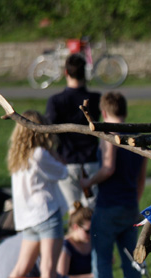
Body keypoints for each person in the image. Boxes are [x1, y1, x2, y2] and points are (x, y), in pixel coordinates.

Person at [81, 92, 147, 278]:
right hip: (129, 204)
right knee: (131, 260)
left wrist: (89, 182)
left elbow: (108, 168)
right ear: (124, 111)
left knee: (101, 260)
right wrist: (134, 202)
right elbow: (141, 178)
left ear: (104, 111)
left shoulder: (108, 133)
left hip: (108, 205)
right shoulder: (136, 136)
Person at [5, 110, 66, 278]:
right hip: (46, 214)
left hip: (27, 219)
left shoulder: (17, 156)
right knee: (48, 268)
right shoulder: (40, 154)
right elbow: (62, 172)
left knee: (21, 268)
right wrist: (57, 156)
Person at [45, 53, 101, 212]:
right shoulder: (95, 99)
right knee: (92, 213)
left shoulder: (56, 101)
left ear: (66, 73)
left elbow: (48, 132)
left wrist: (56, 157)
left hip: (66, 160)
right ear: (85, 73)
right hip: (91, 161)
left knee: (74, 213)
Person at [56, 201, 96, 278]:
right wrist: (89, 277)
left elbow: (112, 260)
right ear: (75, 227)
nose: (91, 234)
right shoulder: (66, 247)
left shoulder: (90, 242)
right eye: (87, 231)